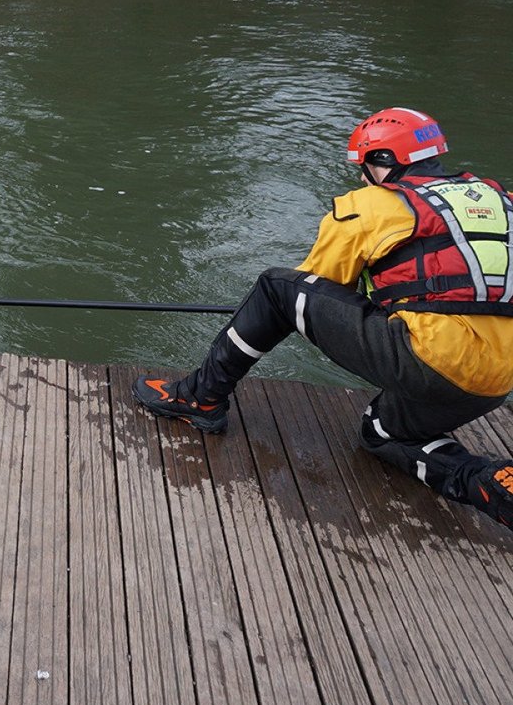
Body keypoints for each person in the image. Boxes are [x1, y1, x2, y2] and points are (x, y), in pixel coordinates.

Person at [132, 107, 513, 529]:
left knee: (277, 289)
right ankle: (484, 481)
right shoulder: (502, 200)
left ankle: (199, 398)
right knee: (383, 434)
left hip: (428, 359)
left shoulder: (371, 205)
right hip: (496, 381)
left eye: (364, 166)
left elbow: (316, 284)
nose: (362, 178)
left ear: (384, 162)